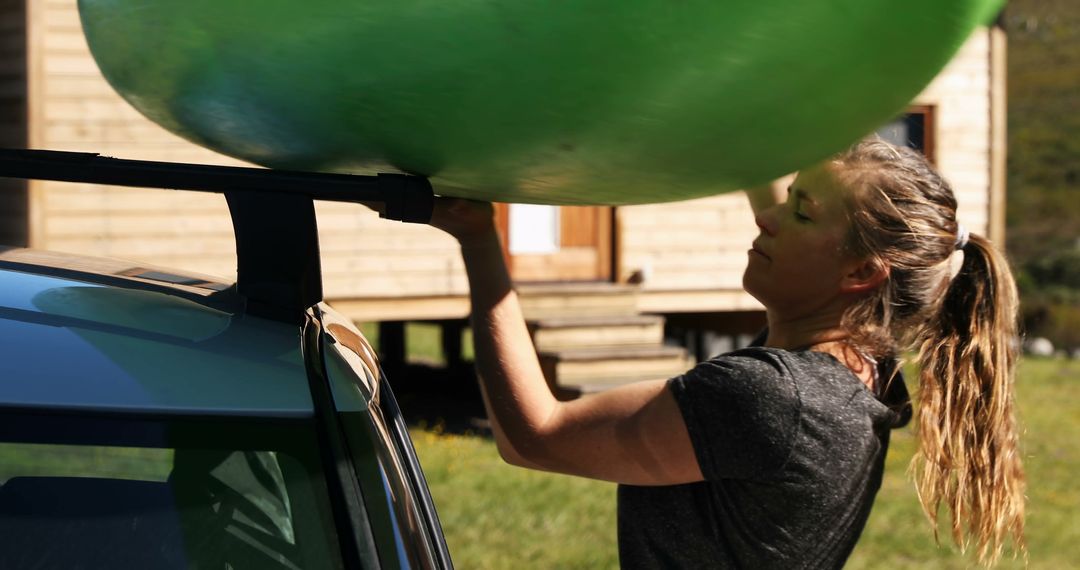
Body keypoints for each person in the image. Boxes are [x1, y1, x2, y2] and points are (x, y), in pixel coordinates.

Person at [428, 138, 1025, 568]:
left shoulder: (772, 397)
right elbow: (801, 259)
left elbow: (535, 435)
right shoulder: (861, 376)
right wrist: (746, 129)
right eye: (787, 196)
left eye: (800, 212)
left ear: (862, 272)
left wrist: (480, 239)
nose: (767, 218)